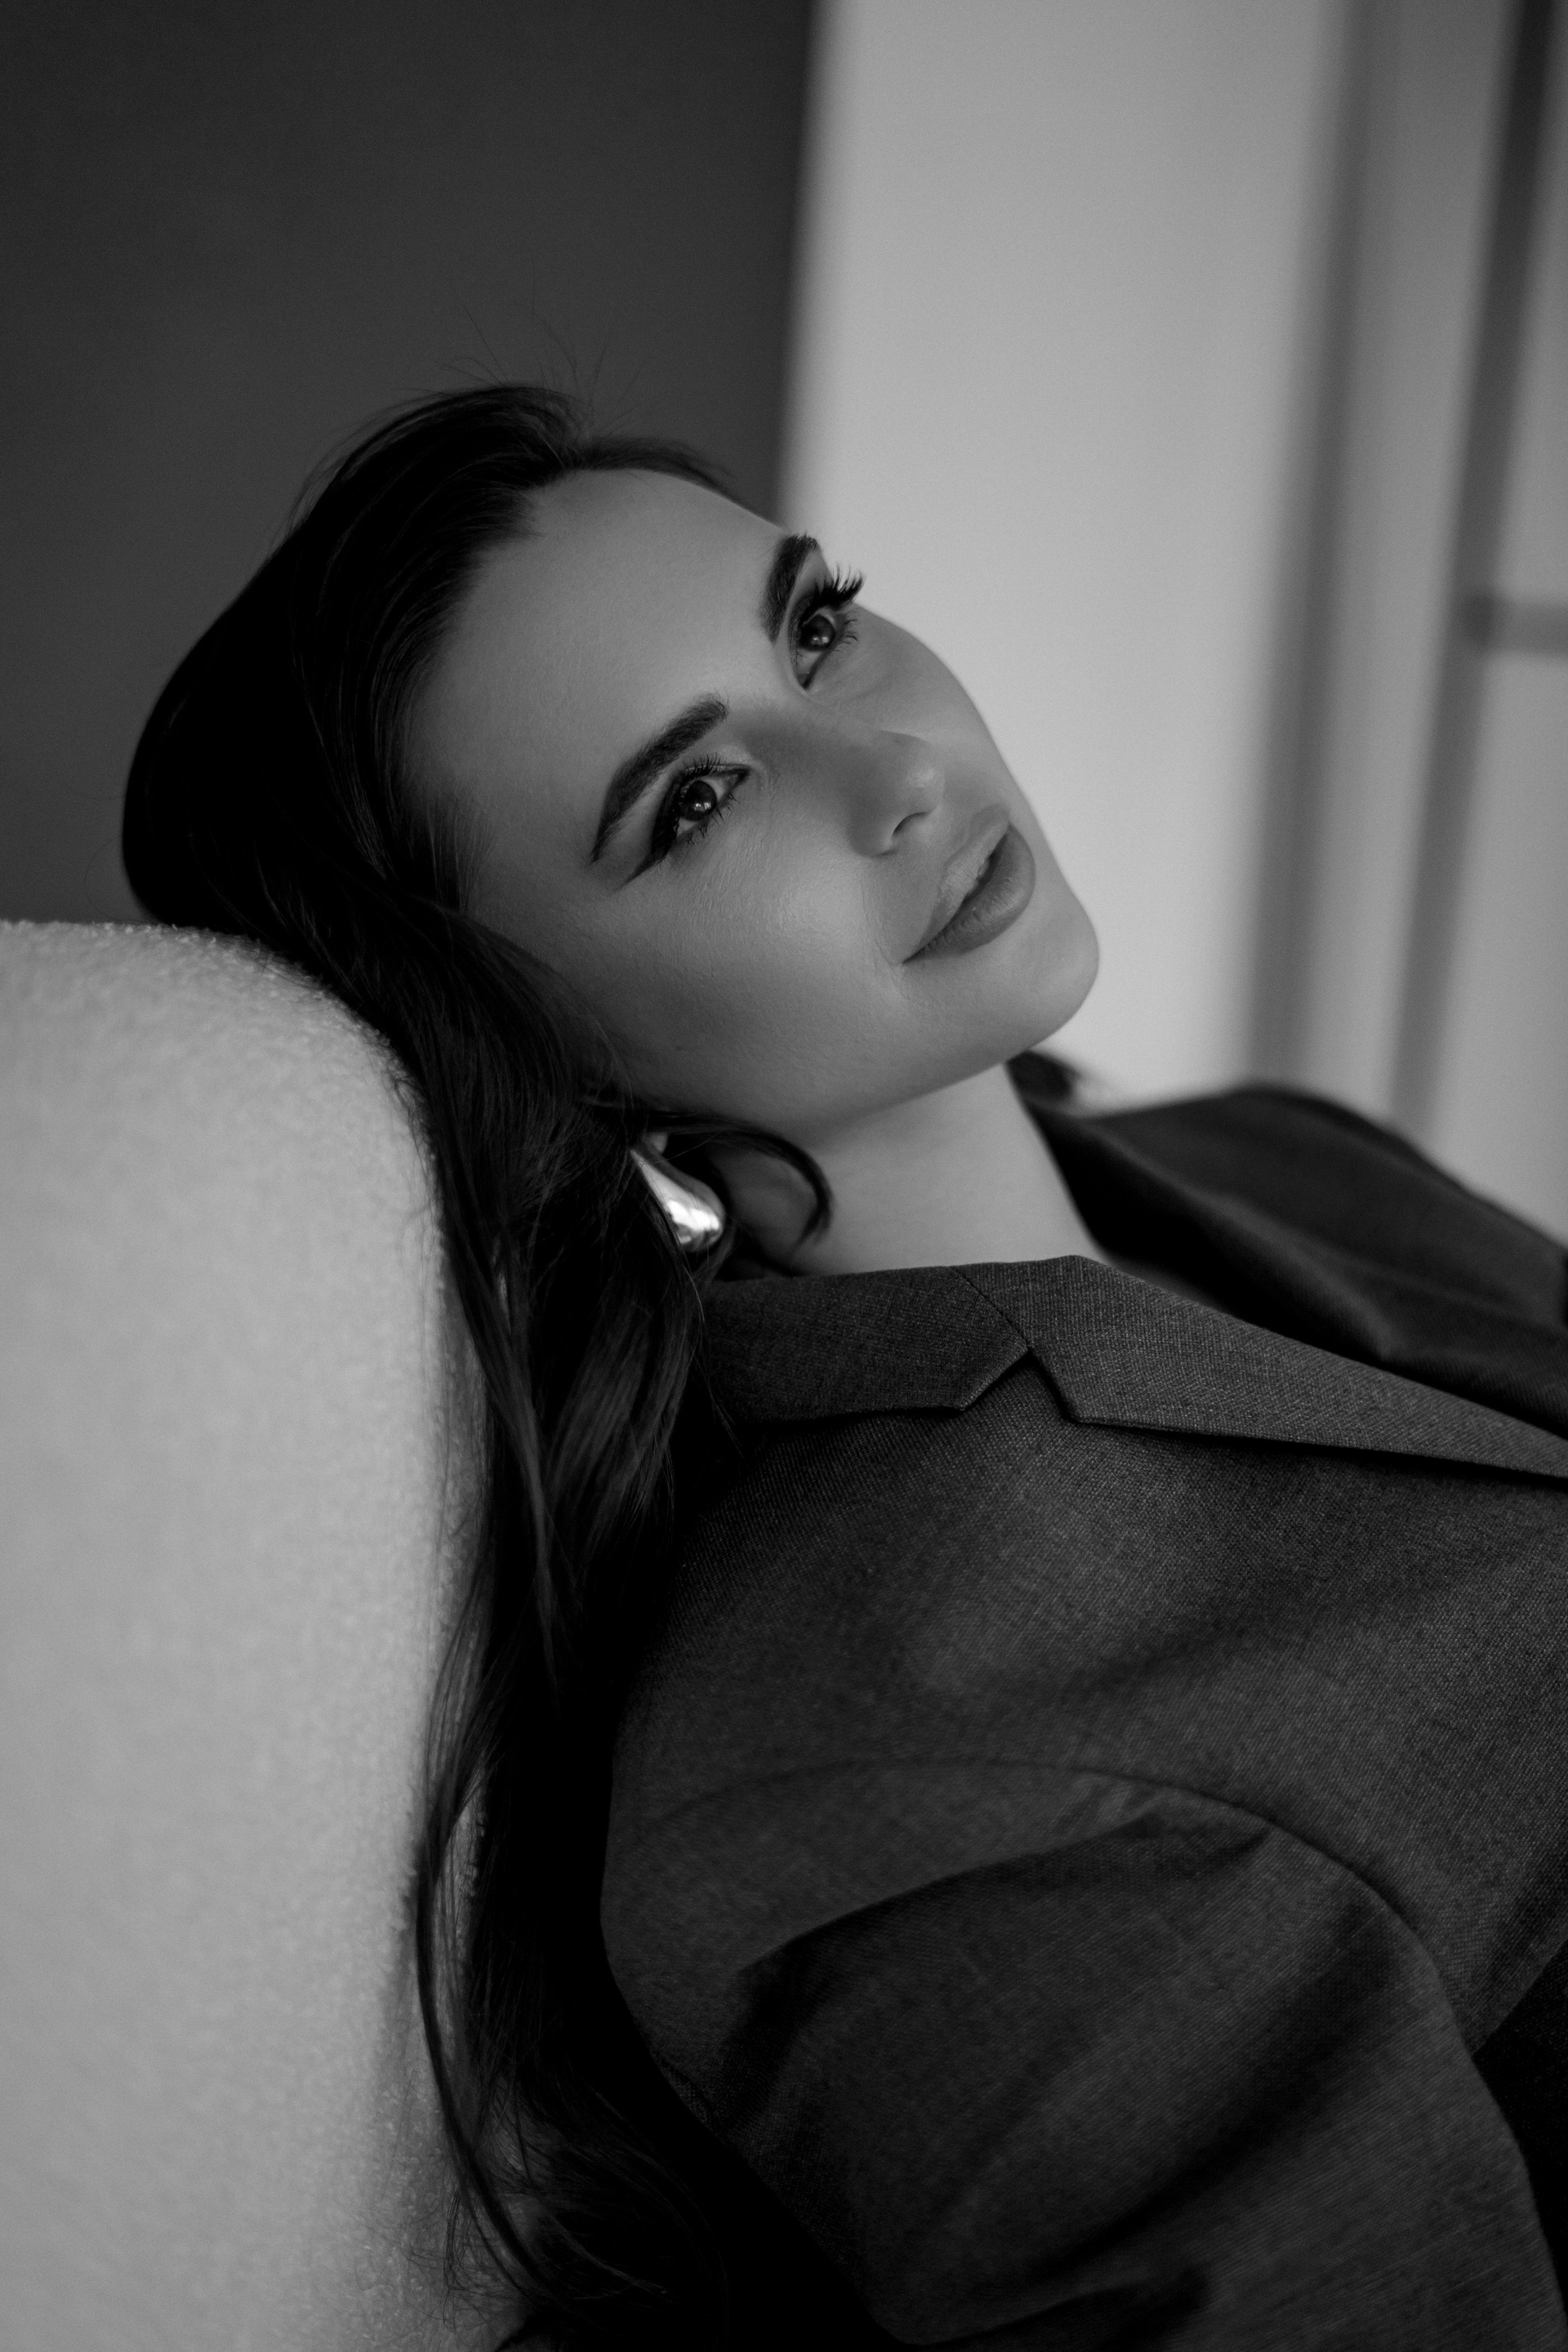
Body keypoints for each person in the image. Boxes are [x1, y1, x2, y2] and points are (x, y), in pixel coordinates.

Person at [122, 385, 1568, 2351]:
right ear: (534, 1048)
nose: (894, 765)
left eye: (818, 627)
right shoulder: (902, 1772)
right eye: (698, 802)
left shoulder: (1276, 1152)